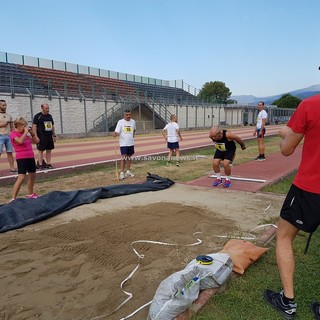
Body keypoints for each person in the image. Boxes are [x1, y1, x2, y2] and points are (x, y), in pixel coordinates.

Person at [263, 94, 320, 320]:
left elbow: (286, 149)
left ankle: (288, 301)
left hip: (310, 187)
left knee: (284, 237)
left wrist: (285, 135)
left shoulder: (310, 105)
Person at [9, 117, 40, 201]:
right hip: (21, 158)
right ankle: (13, 198)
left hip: (30, 157)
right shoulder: (13, 134)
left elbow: (36, 141)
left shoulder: (25, 134)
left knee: (32, 176)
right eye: (24, 125)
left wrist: (32, 134)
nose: (25, 127)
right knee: (21, 178)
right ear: (18, 125)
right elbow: (19, 141)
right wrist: (26, 132)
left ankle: (30, 194)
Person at [112, 110, 136, 180]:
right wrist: (115, 134)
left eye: (129, 114)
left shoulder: (133, 122)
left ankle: (128, 171)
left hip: (131, 143)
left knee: (129, 157)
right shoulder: (120, 122)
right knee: (124, 157)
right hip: (123, 143)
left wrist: (132, 136)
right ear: (124, 115)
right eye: (127, 115)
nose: (129, 116)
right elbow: (117, 131)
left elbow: (134, 130)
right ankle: (121, 173)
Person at [32, 103, 56, 170]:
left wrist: (54, 135)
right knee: (41, 150)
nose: (48, 110)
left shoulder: (50, 116)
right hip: (41, 136)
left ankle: (48, 164)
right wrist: (35, 136)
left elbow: (52, 126)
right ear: (42, 108)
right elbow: (34, 126)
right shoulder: (38, 116)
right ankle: (40, 164)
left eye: (48, 108)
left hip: (49, 136)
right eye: (46, 108)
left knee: (49, 150)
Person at [0, 99, 17, 173]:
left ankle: (12, 168)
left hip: (8, 136)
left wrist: (14, 135)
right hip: (0, 135)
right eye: (3, 105)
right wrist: (3, 124)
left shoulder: (9, 115)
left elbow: (12, 127)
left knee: (10, 152)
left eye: (5, 105)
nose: (5, 106)